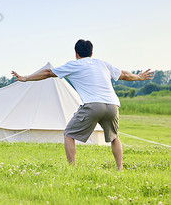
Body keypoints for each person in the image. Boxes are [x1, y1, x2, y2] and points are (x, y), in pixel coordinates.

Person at [11, 39, 153, 170]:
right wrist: (139, 77)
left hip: (93, 105)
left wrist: (25, 78)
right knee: (114, 137)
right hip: (113, 105)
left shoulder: (74, 64)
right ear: (92, 53)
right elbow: (124, 75)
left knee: (68, 134)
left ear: (76, 54)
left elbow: (48, 72)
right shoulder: (102, 64)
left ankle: (72, 169)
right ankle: (120, 168)